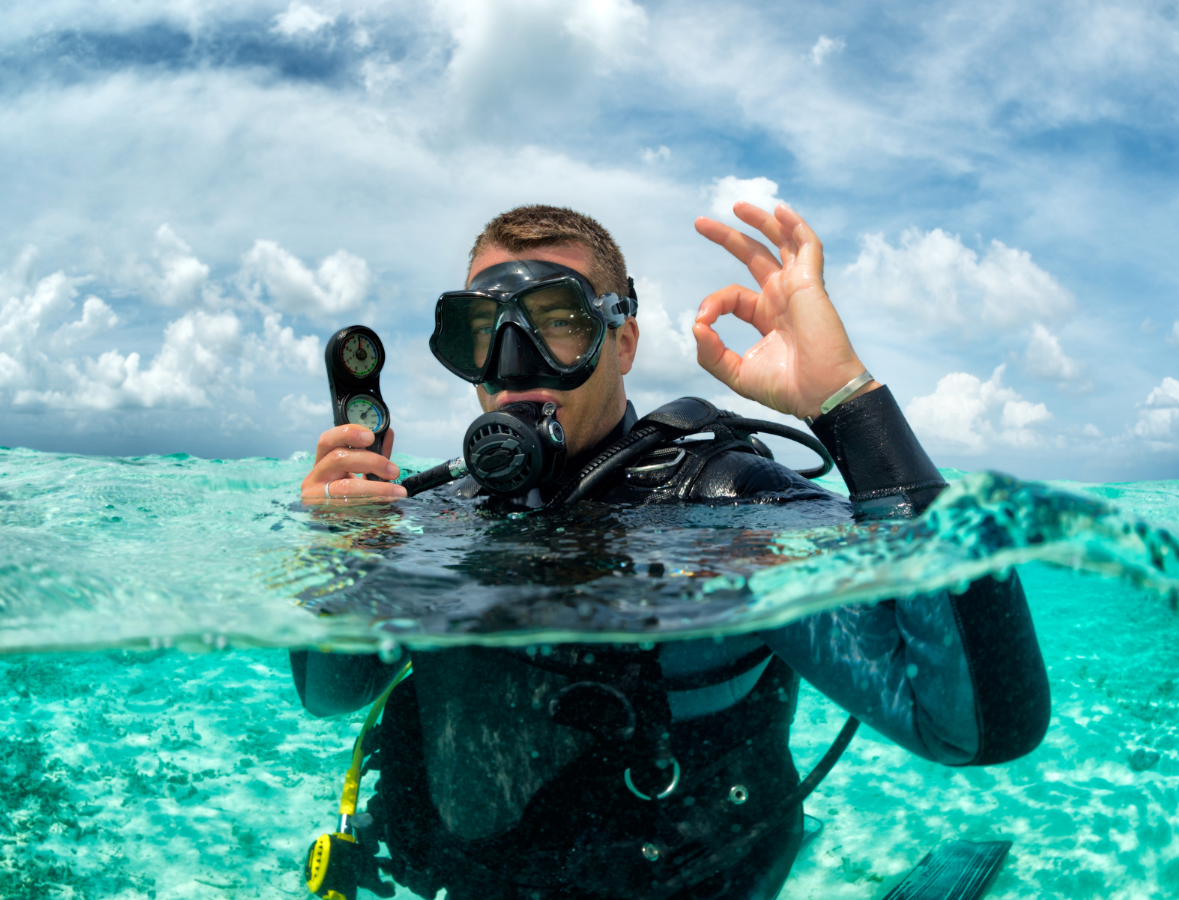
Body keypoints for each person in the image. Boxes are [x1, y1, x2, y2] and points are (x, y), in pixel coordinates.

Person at [292, 203, 1050, 900]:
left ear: (621, 340)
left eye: (557, 321)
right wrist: (344, 555)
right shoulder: (433, 516)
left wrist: (848, 403)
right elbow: (331, 692)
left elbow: (973, 726)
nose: (513, 361)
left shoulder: (726, 506)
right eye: (482, 330)